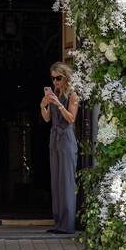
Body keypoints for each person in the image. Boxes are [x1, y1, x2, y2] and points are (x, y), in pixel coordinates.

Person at [39, 62, 79, 235]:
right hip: (54, 139)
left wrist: (59, 104)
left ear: (65, 78)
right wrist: (43, 105)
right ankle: (58, 222)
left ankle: (68, 224)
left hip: (67, 140)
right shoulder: (54, 93)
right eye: (52, 78)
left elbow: (71, 119)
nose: (54, 82)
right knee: (56, 180)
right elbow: (47, 119)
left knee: (67, 181)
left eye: (58, 78)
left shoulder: (72, 95)